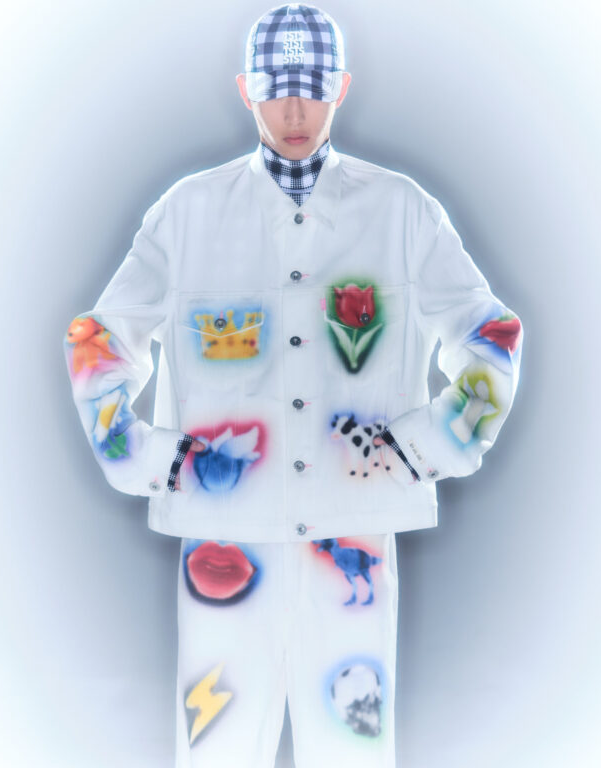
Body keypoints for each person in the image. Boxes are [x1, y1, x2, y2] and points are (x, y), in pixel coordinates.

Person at [63, 4, 523, 767]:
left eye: (311, 89)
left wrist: (415, 451)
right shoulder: (187, 214)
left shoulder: (402, 211)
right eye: (278, 90)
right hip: (225, 540)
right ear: (246, 89)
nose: (296, 112)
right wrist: (160, 462)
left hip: (352, 540)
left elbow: (491, 335)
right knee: (215, 747)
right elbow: (99, 343)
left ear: (341, 87)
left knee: (352, 745)